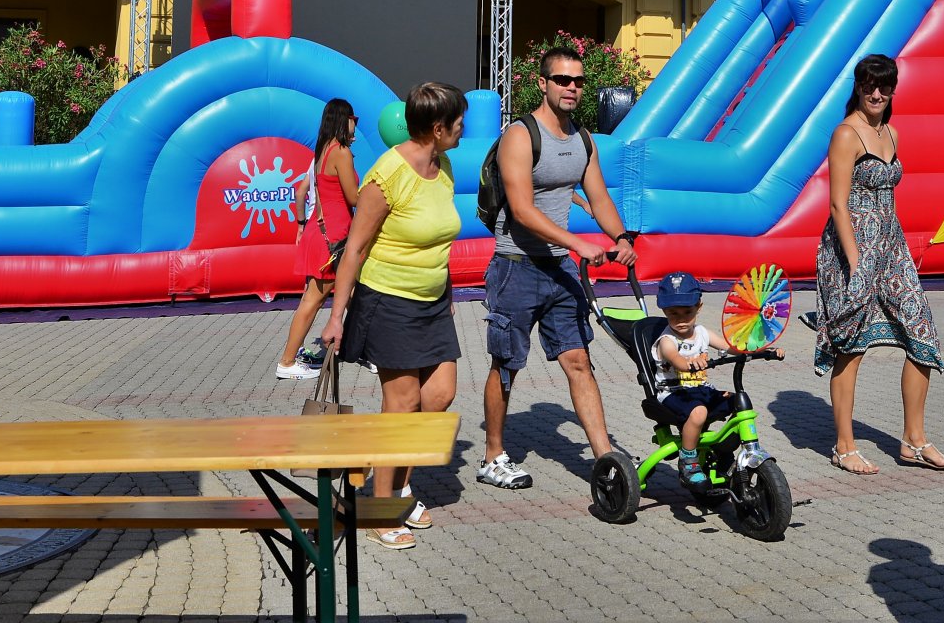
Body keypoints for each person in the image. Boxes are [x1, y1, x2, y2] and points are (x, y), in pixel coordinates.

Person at [477, 45, 639, 490]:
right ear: (543, 83)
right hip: (516, 266)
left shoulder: (583, 139)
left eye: (578, 81)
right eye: (563, 80)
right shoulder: (520, 136)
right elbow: (523, 210)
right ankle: (492, 456)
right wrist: (577, 244)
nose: (572, 88)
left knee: (579, 360)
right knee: (506, 364)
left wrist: (621, 237)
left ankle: (606, 459)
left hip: (559, 269)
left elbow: (599, 198)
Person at [321, 82, 467, 551]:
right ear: (437, 128)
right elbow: (354, 249)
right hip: (388, 302)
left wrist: (445, 292)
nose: (464, 128)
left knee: (439, 395)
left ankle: (399, 485)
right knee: (401, 406)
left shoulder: (443, 167)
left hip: (433, 304)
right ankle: (380, 508)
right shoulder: (387, 175)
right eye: (458, 121)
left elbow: (438, 238)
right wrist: (336, 316)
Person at [814, 53, 944, 475]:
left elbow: (887, 197)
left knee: (922, 333)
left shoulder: (891, 133)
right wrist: (856, 263)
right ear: (858, 87)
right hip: (851, 251)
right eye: (869, 85)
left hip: (891, 249)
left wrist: (892, 250)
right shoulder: (846, 134)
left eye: (885, 86)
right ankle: (844, 446)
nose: (877, 93)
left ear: (893, 89)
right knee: (852, 345)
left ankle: (914, 440)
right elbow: (838, 205)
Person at [650, 270, 761, 487]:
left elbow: (729, 347)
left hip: (700, 389)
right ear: (664, 311)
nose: (681, 319)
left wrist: (760, 349)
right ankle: (688, 460)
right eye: (673, 313)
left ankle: (723, 448)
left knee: (737, 401)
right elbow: (676, 359)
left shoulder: (702, 332)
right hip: (673, 393)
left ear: (698, 307)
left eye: (687, 312)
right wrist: (689, 363)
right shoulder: (667, 340)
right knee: (699, 412)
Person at [276, 99, 361, 381]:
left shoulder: (324, 149)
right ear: (343, 119)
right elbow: (353, 197)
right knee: (312, 301)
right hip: (333, 238)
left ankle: (364, 348)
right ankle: (287, 362)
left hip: (322, 232)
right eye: (353, 119)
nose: (355, 125)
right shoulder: (341, 152)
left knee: (353, 293)